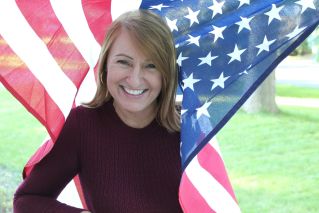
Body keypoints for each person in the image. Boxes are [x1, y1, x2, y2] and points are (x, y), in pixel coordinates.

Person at [13, 10, 183, 213]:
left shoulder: (190, 126)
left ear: (166, 74)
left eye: (151, 66)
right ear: (105, 65)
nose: (135, 79)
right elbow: (26, 200)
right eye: (124, 62)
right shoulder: (82, 125)